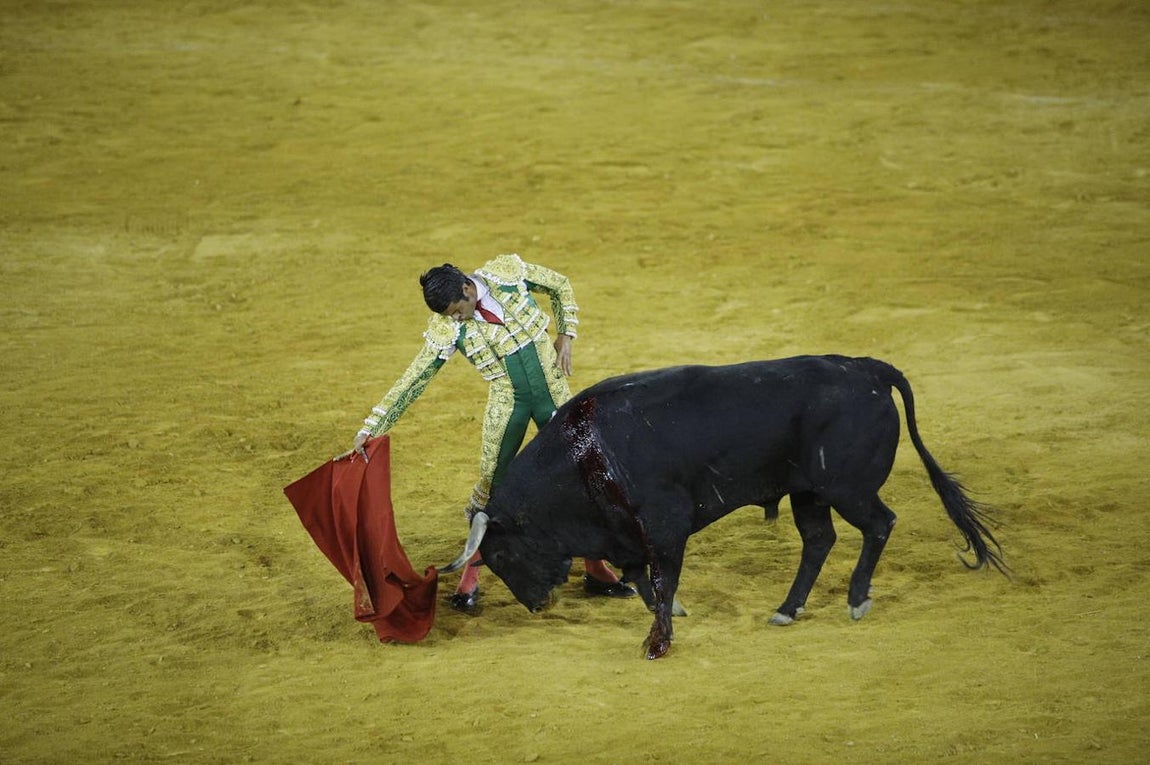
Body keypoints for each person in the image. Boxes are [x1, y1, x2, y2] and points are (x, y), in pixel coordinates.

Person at [339, 254, 635, 613]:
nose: (454, 318)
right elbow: (414, 378)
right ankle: (470, 579)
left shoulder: (507, 275)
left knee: (584, 477)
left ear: (467, 288)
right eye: (449, 315)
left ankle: (595, 567)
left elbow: (559, 284)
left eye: (456, 310)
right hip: (506, 406)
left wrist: (566, 336)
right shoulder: (449, 328)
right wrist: (372, 426)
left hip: (554, 394)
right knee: (492, 489)